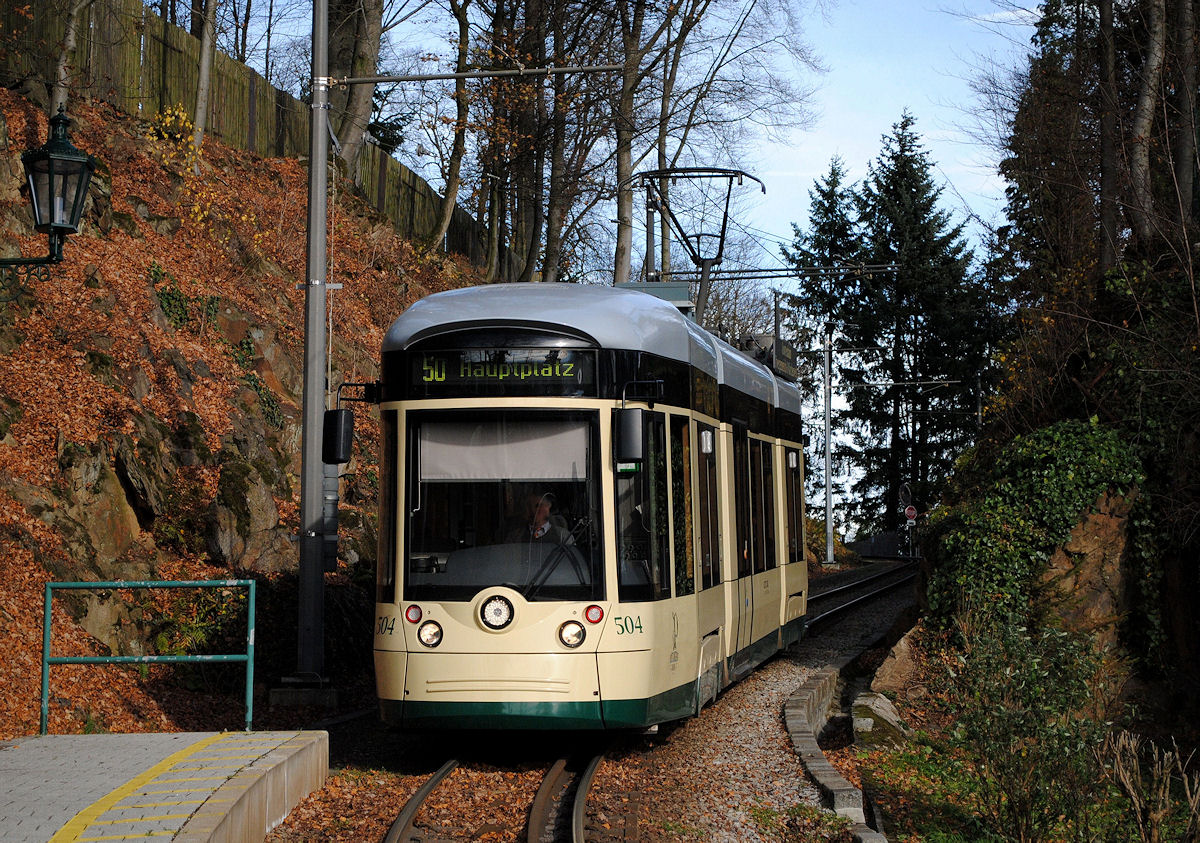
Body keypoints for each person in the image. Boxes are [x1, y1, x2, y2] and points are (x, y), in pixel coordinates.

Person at [508, 491, 572, 544]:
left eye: (538, 506)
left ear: (548, 507)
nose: (533, 511)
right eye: (528, 506)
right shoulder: (515, 537)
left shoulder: (563, 536)